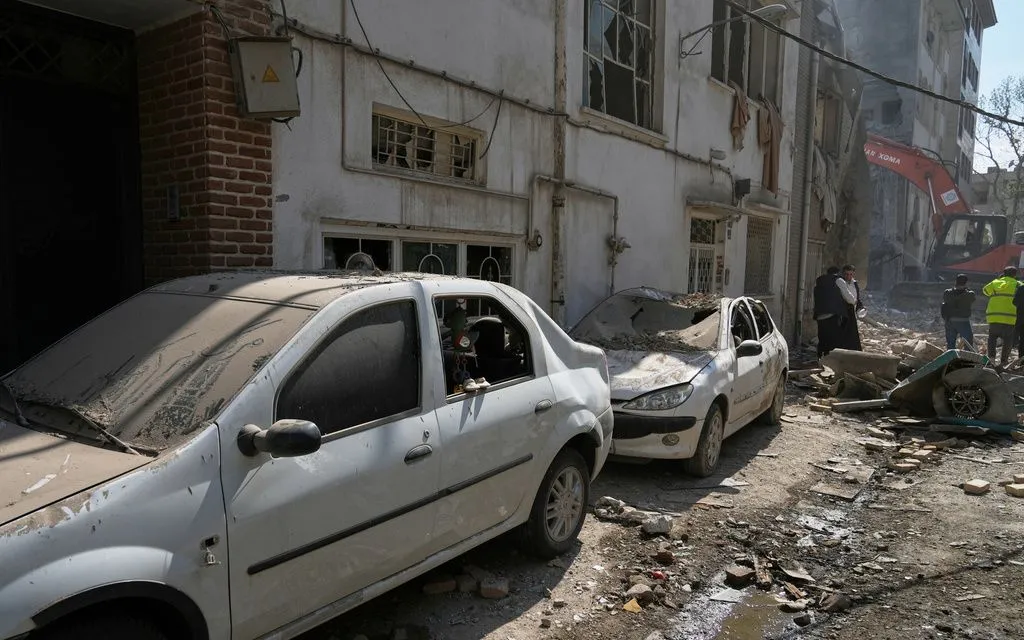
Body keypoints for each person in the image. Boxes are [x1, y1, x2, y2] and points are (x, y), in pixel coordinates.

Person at [981, 266, 1020, 368]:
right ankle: (1004, 361)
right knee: (1008, 340)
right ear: (1015, 274)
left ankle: (991, 359)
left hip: (994, 317)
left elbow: (985, 291)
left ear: (1004, 273)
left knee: (992, 338)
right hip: (1010, 318)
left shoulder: (995, 283)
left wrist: (999, 280)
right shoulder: (1018, 284)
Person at [813, 266, 845, 358]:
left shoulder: (819, 284)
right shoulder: (838, 281)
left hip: (820, 315)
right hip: (832, 314)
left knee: (822, 337)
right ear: (837, 273)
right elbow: (847, 296)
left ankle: (820, 357)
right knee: (833, 338)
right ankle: (829, 358)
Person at [941, 274, 976, 351]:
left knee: (950, 343)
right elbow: (972, 298)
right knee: (968, 343)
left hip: (949, 320)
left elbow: (945, 299)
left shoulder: (947, 292)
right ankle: (967, 359)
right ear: (966, 283)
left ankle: (950, 359)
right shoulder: (970, 294)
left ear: (956, 282)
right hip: (963, 321)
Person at [835, 264, 864, 351]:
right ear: (843, 274)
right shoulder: (840, 282)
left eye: (850, 274)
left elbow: (856, 297)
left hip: (851, 310)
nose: (849, 276)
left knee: (851, 333)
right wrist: (854, 301)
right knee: (843, 332)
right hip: (843, 310)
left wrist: (859, 305)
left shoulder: (854, 283)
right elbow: (847, 296)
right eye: (847, 274)